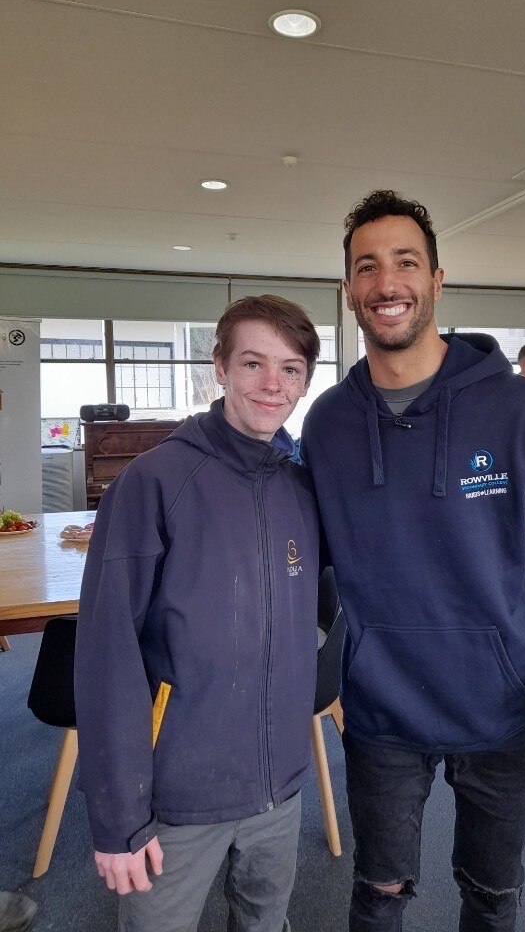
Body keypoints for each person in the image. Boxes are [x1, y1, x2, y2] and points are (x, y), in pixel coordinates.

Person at [301, 189, 525, 932]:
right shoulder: (329, 423)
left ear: (437, 280)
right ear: (350, 292)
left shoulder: (518, 410)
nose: (387, 283)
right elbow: (294, 553)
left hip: (504, 709)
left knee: (492, 897)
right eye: (367, 267)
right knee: (377, 896)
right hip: (381, 712)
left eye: (406, 262)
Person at [75, 295, 321, 932]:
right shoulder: (153, 483)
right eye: (253, 363)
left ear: (305, 381)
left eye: (290, 369)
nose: (272, 385)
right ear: (219, 366)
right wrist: (118, 819)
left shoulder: (302, 487)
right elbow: (107, 658)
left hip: (280, 790)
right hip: (176, 798)